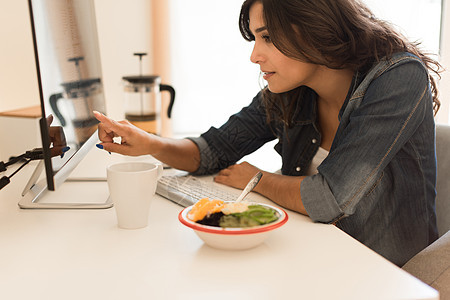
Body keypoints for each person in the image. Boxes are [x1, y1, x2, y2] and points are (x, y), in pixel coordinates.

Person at [94, 0, 442, 267]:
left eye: (268, 38)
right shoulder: (290, 90)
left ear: (314, 28)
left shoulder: (397, 79)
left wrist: (258, 178)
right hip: (311, 251)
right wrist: (148, 143)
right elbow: (211, 150)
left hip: (380, 270)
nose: (254, 55)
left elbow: (328, 198)